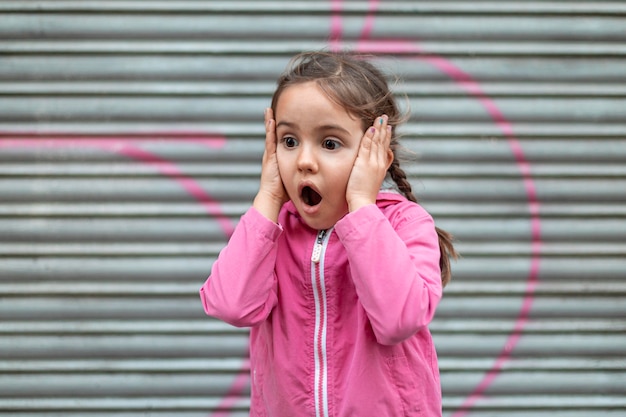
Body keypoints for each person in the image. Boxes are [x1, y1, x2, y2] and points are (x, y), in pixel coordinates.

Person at [200, 50, 457, 417]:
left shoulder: (405, 224)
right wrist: (269, 197)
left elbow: (398, 318)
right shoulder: (273, 232)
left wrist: (362, 206)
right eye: (289, 141)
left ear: (376, 152)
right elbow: (230, 305)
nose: (304, 160)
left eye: (330, 143)